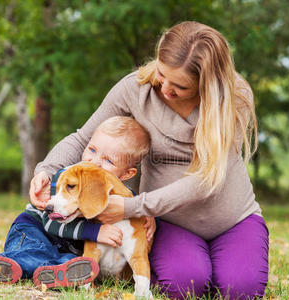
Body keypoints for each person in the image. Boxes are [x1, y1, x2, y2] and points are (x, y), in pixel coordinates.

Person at [30, 21, 269, 299]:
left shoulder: (233, 98)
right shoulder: (135, 88)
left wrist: (132, 206)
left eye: (180, 85)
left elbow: (205, 180)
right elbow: (84, 138)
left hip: (234, 220)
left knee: (240, 290)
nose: (165, 87)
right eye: (162, 74)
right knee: (185, 285)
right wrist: (46, 169)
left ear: (206, 83)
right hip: (171, 222)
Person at [0, 116, 152, 288]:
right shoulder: (67, 176)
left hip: (63, 249)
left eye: (108, 160)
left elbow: (133, 219)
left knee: (70, 262)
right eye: (92, 150)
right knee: (36, 250)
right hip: (35, 229)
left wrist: (146, 217)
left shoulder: (121, 199)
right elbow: (51, 222)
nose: (93, 162)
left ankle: (48, 273)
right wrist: (95, 232)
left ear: (127, 174)